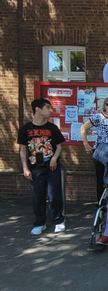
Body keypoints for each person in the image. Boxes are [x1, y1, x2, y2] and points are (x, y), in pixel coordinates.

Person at [17, 98, 66, 235]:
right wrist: (25, 168)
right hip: (35, 167)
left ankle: (58, 220)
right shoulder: (25, 129)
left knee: (54, 193)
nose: (50, 110)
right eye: (48, 107)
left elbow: (59, 146)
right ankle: (40, 222)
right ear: (38, 109)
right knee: (37, 195)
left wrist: (54, 159)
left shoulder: (52, 128)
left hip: (51, 166)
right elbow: (22, 150)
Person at [81, 96, 108, 202]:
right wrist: (86, 144)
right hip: (102, 152)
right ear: (104, 105)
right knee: (101, 177)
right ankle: (100, 201)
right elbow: (83, 128)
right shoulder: (98, 117)